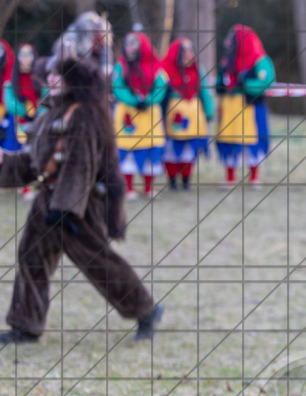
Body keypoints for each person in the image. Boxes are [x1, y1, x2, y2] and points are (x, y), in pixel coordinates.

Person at [0, 57, 163, 346]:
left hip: (79, 206)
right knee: (31, 258)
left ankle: (147, 310)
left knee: (99, 264)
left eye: (59, 75)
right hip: (49, 201)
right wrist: (4, 162)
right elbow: (32, 164)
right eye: (50, 73)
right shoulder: (50, 111)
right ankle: (25, 326)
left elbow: (80, 165)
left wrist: (65, 210)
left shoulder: (85, 114)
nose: (51, 79)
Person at [215, 24, 275, 186]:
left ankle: (254, 177)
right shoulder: (227, 60)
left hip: (251, 107)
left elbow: (267, 81)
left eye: (231, 38)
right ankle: (230, 177)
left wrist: (246, 84)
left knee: (253, 141)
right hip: (230, 107)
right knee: (229, 140)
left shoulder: (260, 60)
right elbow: (220, 83)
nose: (227, 41)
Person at [112, 31, 168, 200]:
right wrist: (133, 101)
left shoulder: (155, 67)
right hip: (127, 114)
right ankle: (129, 188)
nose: (129, 48)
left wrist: (149, 101)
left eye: (133, 45)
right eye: (127, 45)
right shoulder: (120, 66)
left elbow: (161, 86)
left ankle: (148, 187)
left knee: (150, 151)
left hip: (149, 115)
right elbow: (117, 86)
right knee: (127, 151)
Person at [162, 37, 215, 191]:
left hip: (194, 114)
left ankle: (186, 180)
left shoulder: (198, 70)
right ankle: (172, 180)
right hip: (172, 114)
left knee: (189, 150)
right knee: (171, 149)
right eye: (184, 51)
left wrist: (209, 112)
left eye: (191, 50)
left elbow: (205, 92)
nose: (189, 54)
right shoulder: (166, 69)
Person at [2, 44, 43, 200]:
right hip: (19, 125)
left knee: (37, 154)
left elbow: (46, 97)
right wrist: (25, 110)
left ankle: (34, 187)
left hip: (38, 124)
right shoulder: (11, 81)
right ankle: (20, 186)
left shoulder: (39, 78)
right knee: (19, 155)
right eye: (22, 55)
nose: (25, 59)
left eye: (28, 55)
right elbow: (9, 102)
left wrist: (37, 112)